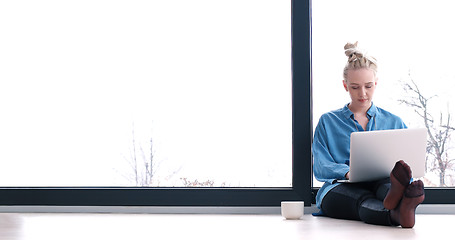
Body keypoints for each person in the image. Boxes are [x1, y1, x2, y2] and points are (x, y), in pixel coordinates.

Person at [312, 42, 425, 228]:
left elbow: (407, 163)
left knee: (387, 187)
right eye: (355, 87)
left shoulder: (394, 122)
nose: (362, 94)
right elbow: (321, 166)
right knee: (362, 200)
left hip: (381, 182)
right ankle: (398, 214)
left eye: (368, 86)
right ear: (345, 85)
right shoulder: (328, 121)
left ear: (376, 83)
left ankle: (396, 203)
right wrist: (347, 173)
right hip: (340, 186)